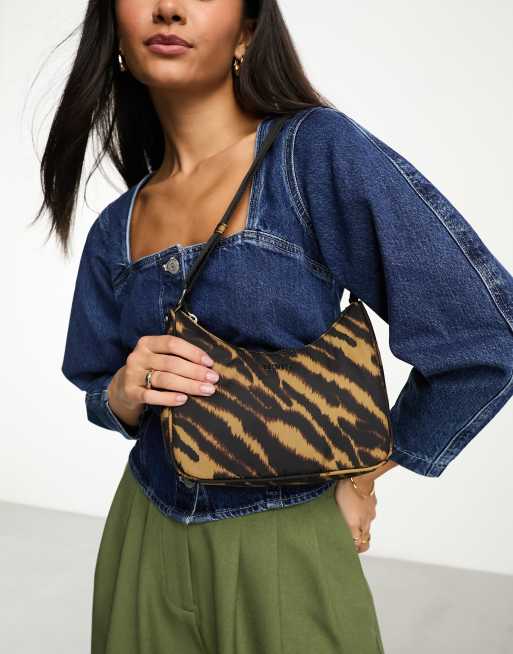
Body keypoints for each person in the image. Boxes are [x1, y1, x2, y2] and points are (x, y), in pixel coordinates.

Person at [36, 1, 513, 652]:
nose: (168, 8)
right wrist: (120, 392)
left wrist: (363, 473)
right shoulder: (114, 226)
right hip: (142, 535)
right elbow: (95, 381)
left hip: (287, 538)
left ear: (247, 32)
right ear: (114, 32)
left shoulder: (312, 153)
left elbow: (483, 335)